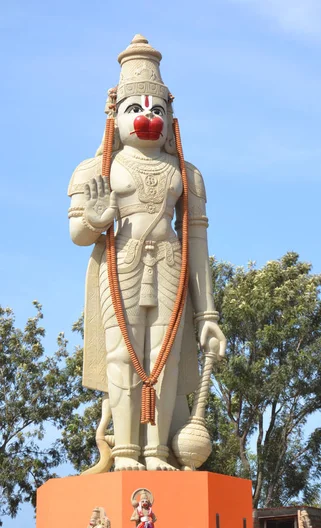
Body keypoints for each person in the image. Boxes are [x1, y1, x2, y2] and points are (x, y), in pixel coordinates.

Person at [68, 34, 226, 472]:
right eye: (134, 109)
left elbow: (197, 242)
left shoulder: (187, 173)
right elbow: (78, 233)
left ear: (171, 117)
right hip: (122, 263)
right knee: (124, 356)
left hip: (172, 264)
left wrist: (208, 316)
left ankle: (156, 451)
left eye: (156, 109)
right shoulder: (97, 168)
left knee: (164, 357)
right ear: (114, 115)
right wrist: (98, 219)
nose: (147, 118)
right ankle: (125, 451)